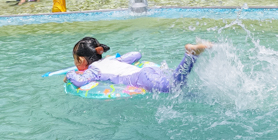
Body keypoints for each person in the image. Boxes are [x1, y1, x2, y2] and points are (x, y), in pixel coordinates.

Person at [63, 37, 212, 94]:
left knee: (172, 87)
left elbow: (80, 81)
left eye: (75, 60)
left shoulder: (94, 70)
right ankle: (192, 55)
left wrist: (69, 75)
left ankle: (190, 54)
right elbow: (136, 54)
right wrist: (116, 57)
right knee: (179, 85)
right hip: (150, 70)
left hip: (141, 78)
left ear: (82, 61)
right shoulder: (113, 60)